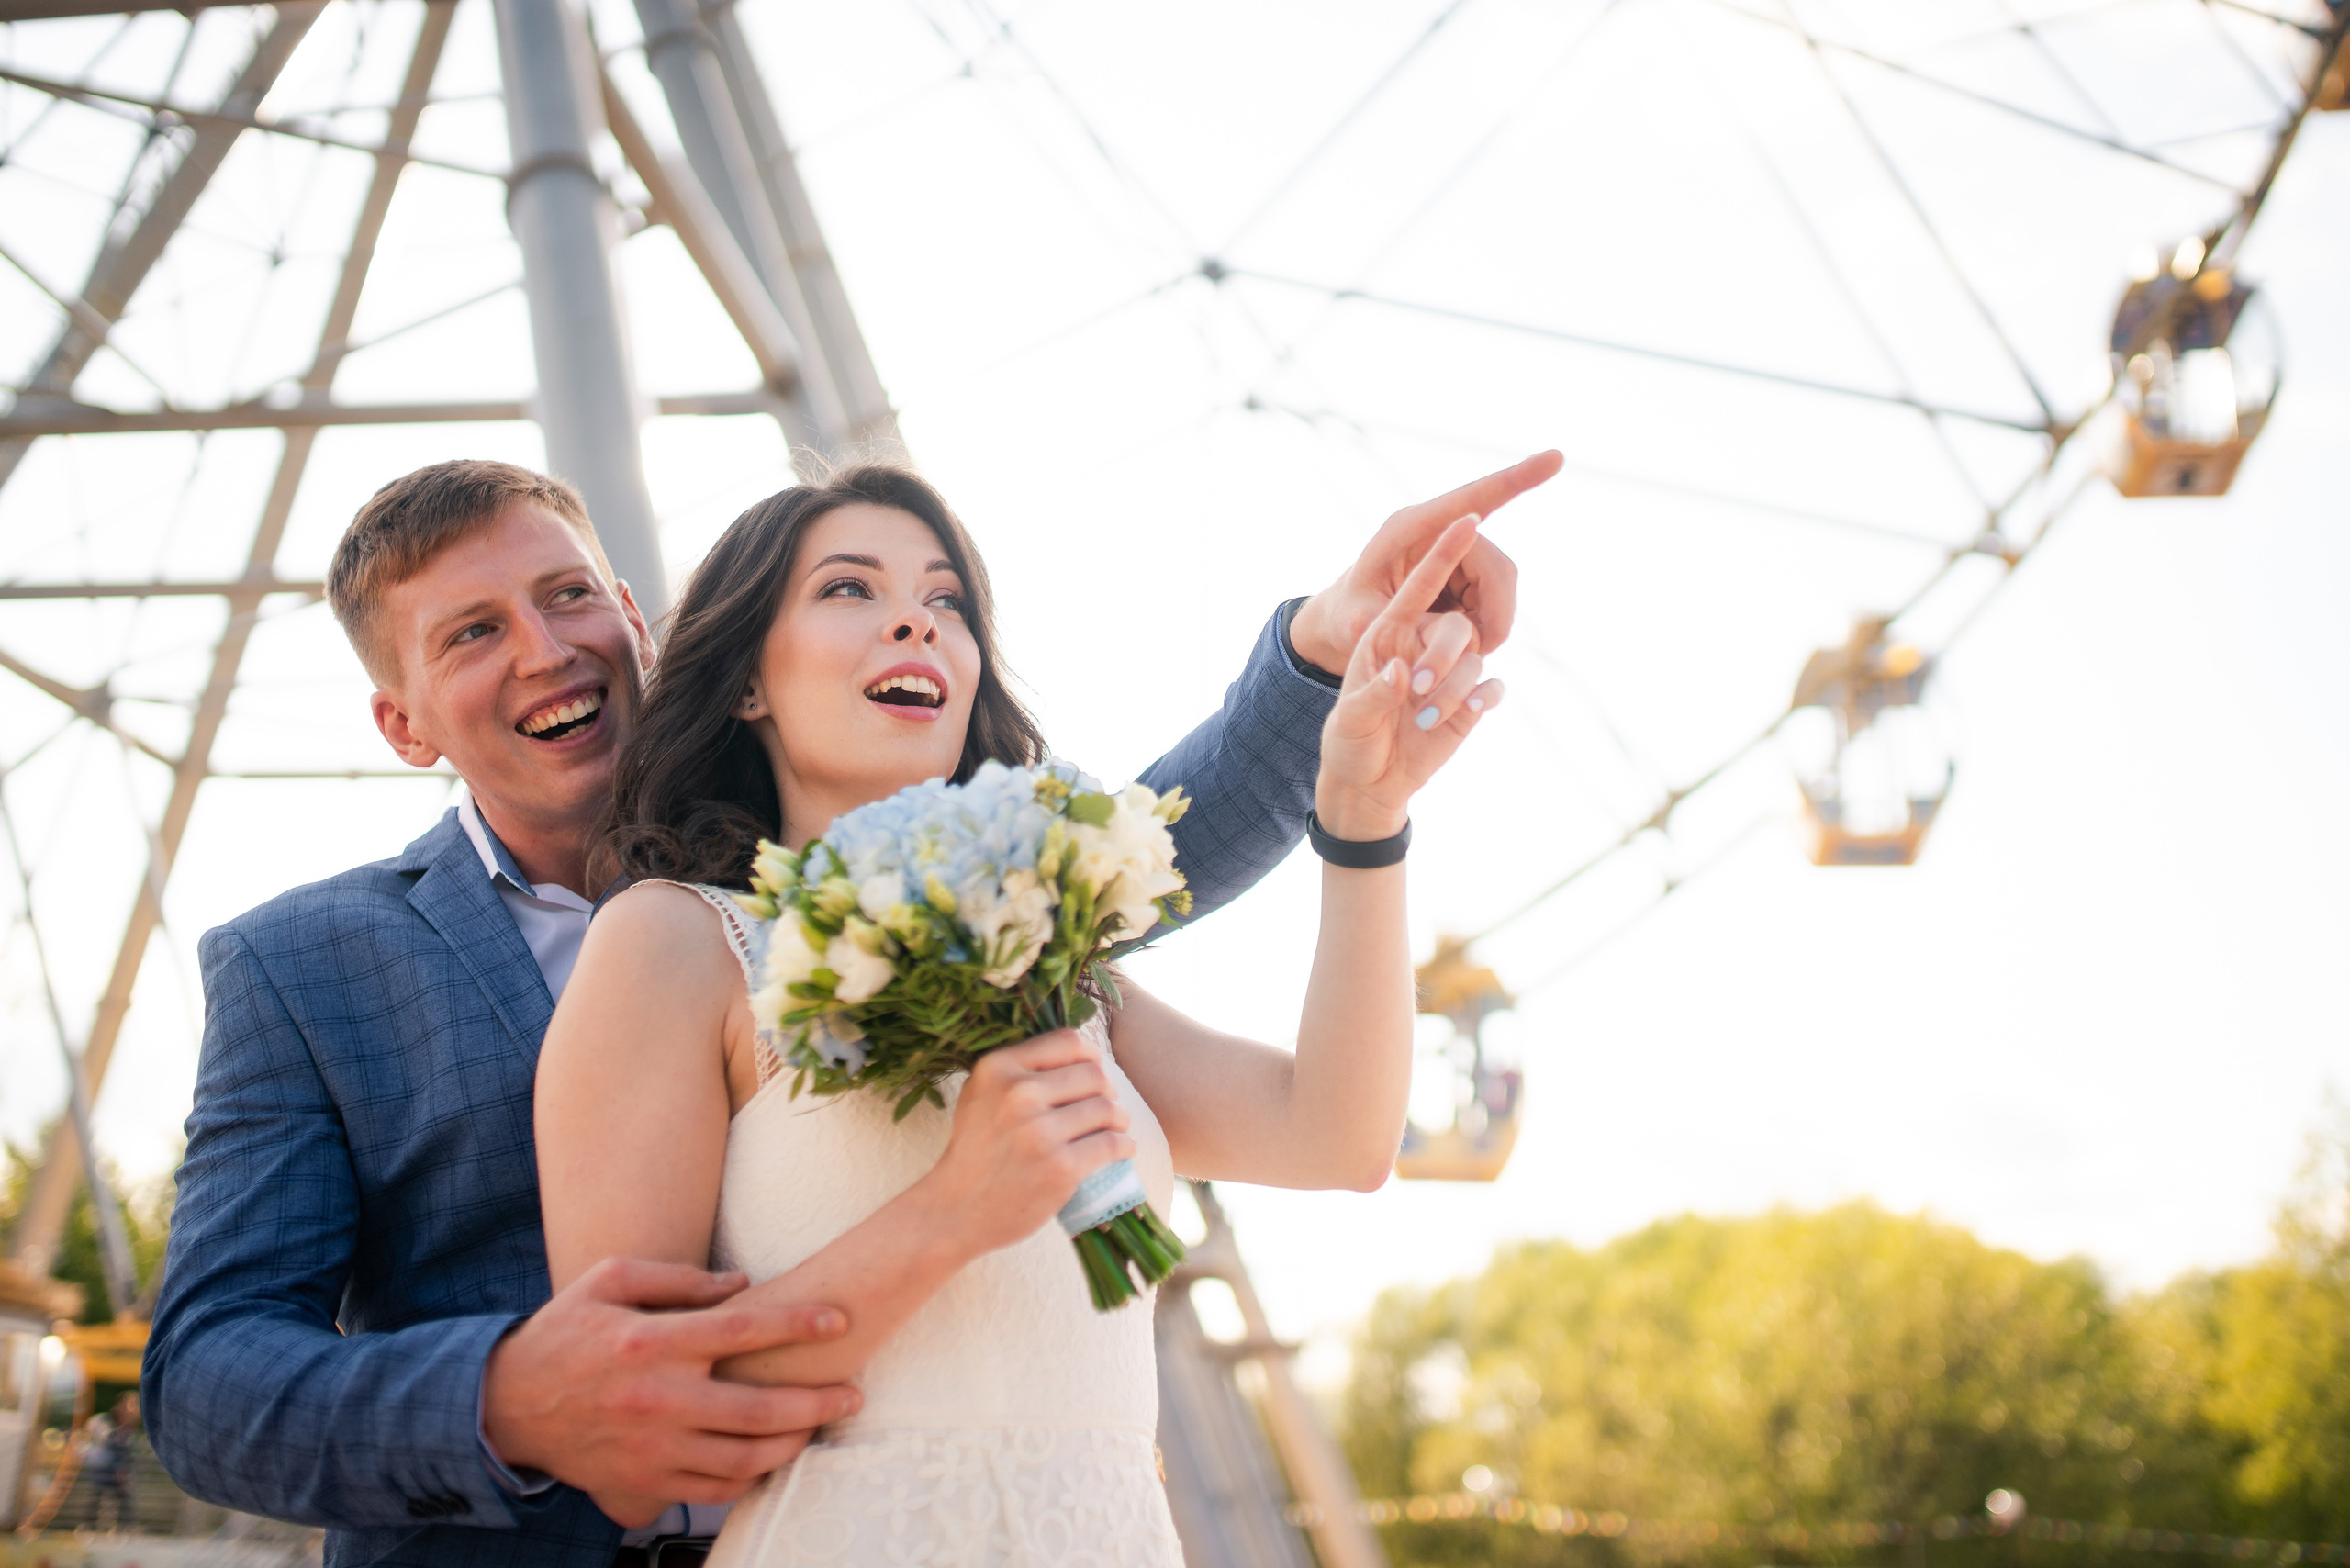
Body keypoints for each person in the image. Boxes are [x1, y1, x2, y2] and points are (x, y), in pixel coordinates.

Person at [142, 451, 1560, 1568]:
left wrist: (1347, 757)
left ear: (640, 622)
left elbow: (1166, 867)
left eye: (570, 596)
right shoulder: (326, 964)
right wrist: (514, 1395)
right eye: (472, 631)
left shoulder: (1002, 917)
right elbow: (207, 1377)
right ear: (402, 724)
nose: (546, 649)